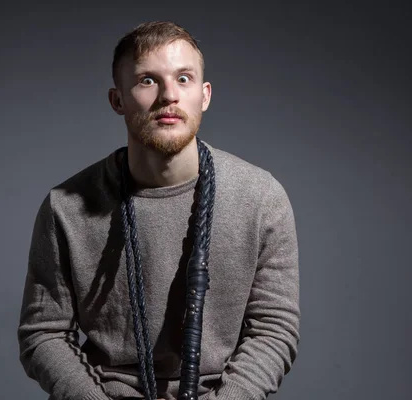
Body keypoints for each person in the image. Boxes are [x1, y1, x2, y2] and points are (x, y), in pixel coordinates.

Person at [17, 21, 300, 400]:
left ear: (205, 95)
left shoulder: (262, 197)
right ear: (117, 100)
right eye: (147, 80)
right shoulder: (66, 206)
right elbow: (43, 333)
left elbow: (273, 329)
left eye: (183, 79)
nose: (169, 95)